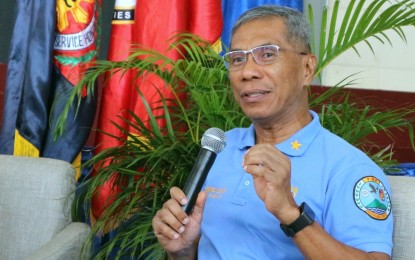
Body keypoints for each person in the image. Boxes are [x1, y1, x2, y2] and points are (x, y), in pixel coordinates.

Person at [152, 5, 393, 259]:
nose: (247, 72)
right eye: (237, 59)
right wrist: (184, 249)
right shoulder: (222, 148)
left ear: (307, 69)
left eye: (267, 55)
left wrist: (291, 214)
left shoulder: (347, 168)